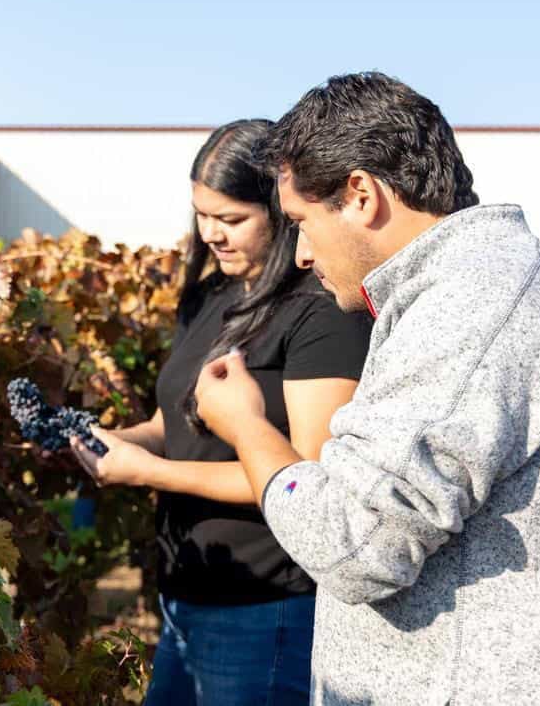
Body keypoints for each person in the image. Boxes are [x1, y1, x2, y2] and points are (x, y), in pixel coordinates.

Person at [192, 74, 540, 705]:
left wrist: (246, 428)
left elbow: (354, 545)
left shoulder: (472, 309)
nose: (301, 255)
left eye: (302, 223)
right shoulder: (472, 288)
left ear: (361, 195)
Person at [69, 119, 372, 706]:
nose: (211, 234)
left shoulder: (321, 312)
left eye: (231, 219)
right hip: (186, 595)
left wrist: (149, 473)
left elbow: (306, 475)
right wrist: (114, 440)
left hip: (266, 605)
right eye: (201, 215)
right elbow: (175, 425)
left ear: (281, 212)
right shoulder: (208, 298)